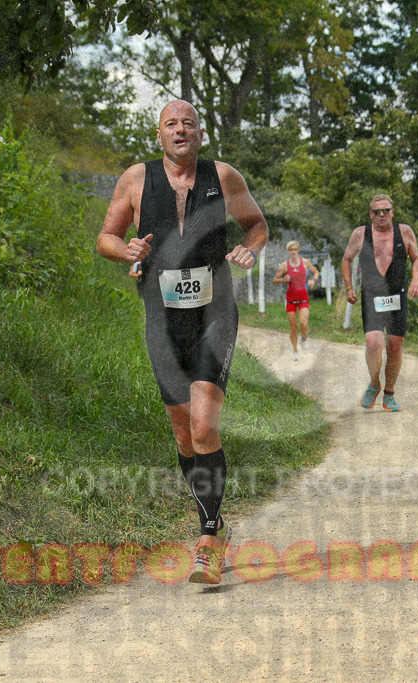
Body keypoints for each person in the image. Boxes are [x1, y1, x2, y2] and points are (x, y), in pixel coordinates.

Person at [96, 99, 268, 585]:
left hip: (215, 313)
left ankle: (208, 538)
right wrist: (126, 250)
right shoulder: (135, 179)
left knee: (204, 423)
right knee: (183, 434)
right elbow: (106, 237)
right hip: (163, 320)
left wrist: (249, 249)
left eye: (188, 123)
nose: (180, 130)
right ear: (159, 135)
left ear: (199, 133)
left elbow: (257, 225)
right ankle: (214, 522)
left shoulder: (224, 176)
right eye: (171, 124)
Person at [341, 194, 418, 412]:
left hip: (397, 295)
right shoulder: (361, 234)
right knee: (373, 343)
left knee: (395, 345)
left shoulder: (404, 231)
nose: (381, 215)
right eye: (377, 212)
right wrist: (349, 287)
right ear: (371, 214)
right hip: (372, 296)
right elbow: (347, 259)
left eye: (386, 210)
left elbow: (416, 258)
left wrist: (416, 280)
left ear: (392, 212)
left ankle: (389, 394)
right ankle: (374, 383)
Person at [272, 240, 320, 360]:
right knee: (293, 327)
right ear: (288, 251)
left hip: (303, 298)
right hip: (290, 300)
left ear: (298, 250)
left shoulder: (305, 262)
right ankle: (295, 351)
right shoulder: (285, 265)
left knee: (303, 323)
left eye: (295, 249)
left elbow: (316, 272)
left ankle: (304, 340)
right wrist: (283, 279)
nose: (293, 252)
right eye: (291, 249)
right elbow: (274, 280)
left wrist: (313, 280)